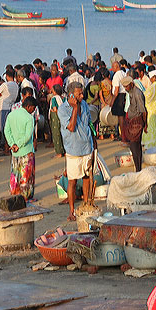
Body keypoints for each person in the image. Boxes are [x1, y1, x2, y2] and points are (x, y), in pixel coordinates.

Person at [58, 82, 94, 221]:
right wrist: (74, 108)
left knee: (86, 178)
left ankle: (85, 204)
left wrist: (94, 142)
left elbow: (89, 123)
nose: (82, 95)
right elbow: (71, 127)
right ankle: (72, 211)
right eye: (79, 93)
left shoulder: (84, 104)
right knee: (72, 181)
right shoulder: (63, 109)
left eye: (82, 93)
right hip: (73, 150)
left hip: (87, 147)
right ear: (71, 94)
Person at [5, 96, 36, 200]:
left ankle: (14, 194)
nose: (33, 110)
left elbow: (6, 131)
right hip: (26, 150)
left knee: (15, 174)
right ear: (28, 106)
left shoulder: (11, 115)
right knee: (26, 176)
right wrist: (18, 144)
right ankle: (25, 197)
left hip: (15, 152)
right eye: (33, 108)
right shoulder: (29, 118)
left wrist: (12, 144)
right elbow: (27, 136)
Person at [120, 71, 147, 173]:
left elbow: (143, 111)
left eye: (126, 86)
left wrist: (145, 125)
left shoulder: (137, 93)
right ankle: (138, 168)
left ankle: (138, 168)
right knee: (135, 146)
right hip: (132, 120)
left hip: (137, 121)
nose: (125, 89)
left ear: (131, 84)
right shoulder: (131, 92)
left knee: (134, 146)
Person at [142, 70, 156, 150]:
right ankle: (155, 143)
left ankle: (150, 145)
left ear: (154, 77)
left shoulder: (154, 86)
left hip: (151, 109)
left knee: (151, 127)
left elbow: (147, 96)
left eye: (151, 77)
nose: (150, 79)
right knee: (155, 127)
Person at [48, 84, 66, 157]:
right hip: (63, 117)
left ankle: (59, 152)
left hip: (55, 117)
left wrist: (53, 110)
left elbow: (55, 109)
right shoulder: (64, 98)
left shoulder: (54, 98)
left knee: (56, 134)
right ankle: (64, 151)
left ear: (55, 91)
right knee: (62, 133)